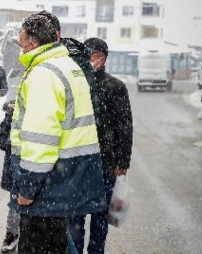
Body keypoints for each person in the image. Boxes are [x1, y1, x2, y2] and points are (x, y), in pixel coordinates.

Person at [9, 12, 106, 254]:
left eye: (22, 45)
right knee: (59, 244)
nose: (21, 50)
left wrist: (27, 188)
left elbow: (41, 139)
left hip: (48, 186)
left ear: (32, 43)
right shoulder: (70, 66)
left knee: (38, 247)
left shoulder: (44, 73)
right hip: (67, 178)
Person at [69, 38, 133, 254]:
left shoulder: (116, 87)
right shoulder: (75, 84)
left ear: (101, 58)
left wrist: (122, 162)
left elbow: (124, 127)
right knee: (75, 218)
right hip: (77, 162)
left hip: (105, 164)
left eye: (89, 56)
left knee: (99, 219)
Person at [0, 104, 20, 253]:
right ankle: (11, 236)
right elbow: (1, 139)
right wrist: (15, 145)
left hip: (38, 167)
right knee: (15, 206)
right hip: (15, 168)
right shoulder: (13, 112)